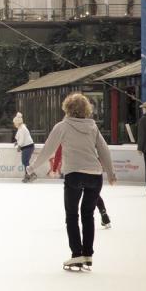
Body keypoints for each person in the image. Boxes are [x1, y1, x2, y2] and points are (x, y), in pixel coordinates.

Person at [26, 93, 116, 272]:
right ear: (86, 109)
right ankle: (88, 254)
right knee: (88, 215)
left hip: (74, 174)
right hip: (94, 175)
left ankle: (77, 255)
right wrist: (111, 173)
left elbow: (48, 149)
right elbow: (104, 150)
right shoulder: (93, 127)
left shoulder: (63, 126)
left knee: (72, 215)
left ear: (67, 108)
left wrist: (32, 167)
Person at [50, 144, 111, 229]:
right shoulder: (89, 134)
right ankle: (103, 213)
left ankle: (71, 219)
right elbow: (101, 149)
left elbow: (58, 153)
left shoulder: (66, 134)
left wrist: (54, 168)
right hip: (92, 169)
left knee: (73, 195)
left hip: (75, 171)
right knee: (93, 194)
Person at [13, 112, 34, 183]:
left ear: (17, 123)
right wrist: (17, 142)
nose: (14, 124)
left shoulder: (22, 128)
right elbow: (20, 137)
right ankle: (29, 175)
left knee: (25, 161)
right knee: (25, 161)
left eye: (14, 123)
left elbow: (22, 139)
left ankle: (30, 175)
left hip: (28, 147)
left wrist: (19, 146)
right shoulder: (21, 127)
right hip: (27, 146)